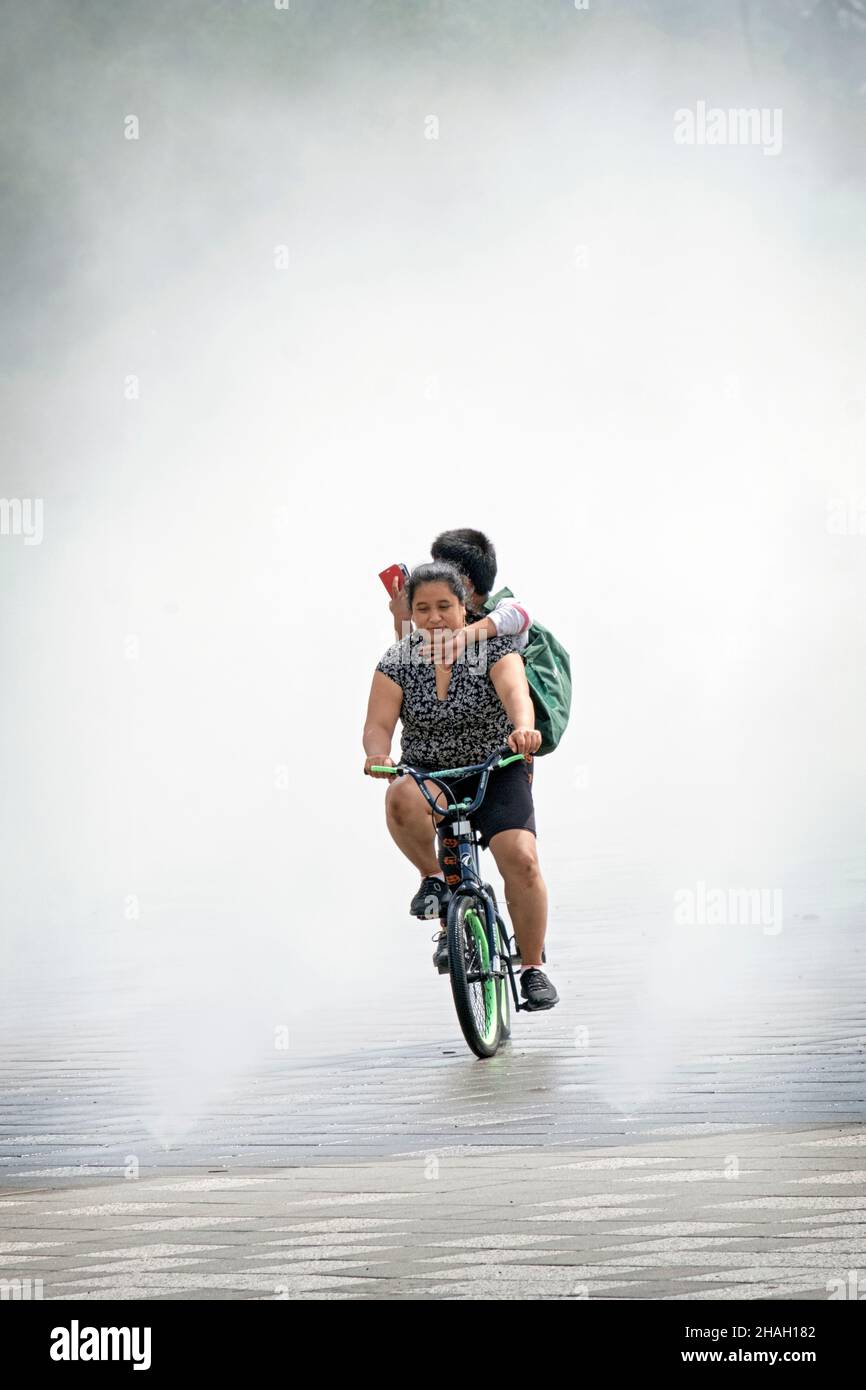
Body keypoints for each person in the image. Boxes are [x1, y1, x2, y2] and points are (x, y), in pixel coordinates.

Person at [364, 560, 558, 1011]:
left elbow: (516, 695)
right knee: (399, 797)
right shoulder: (397, 659)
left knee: (522, 859)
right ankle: (433, 879)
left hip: (497, 766)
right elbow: (378, 724)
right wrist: (379, 754)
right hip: (429, 774)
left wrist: (523, 729)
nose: (434, 618)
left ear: (464, 607)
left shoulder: (492, 646)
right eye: (423, 608)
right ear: (409, 612)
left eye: (445, 607)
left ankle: (532, 969)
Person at [389, 528, 531, 665]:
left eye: (441, 570)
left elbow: (521, 614)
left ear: (465, 584)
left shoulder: (502, 609)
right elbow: (410, 669)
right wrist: (403, 618)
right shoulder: (447, 621)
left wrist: (462, 637)